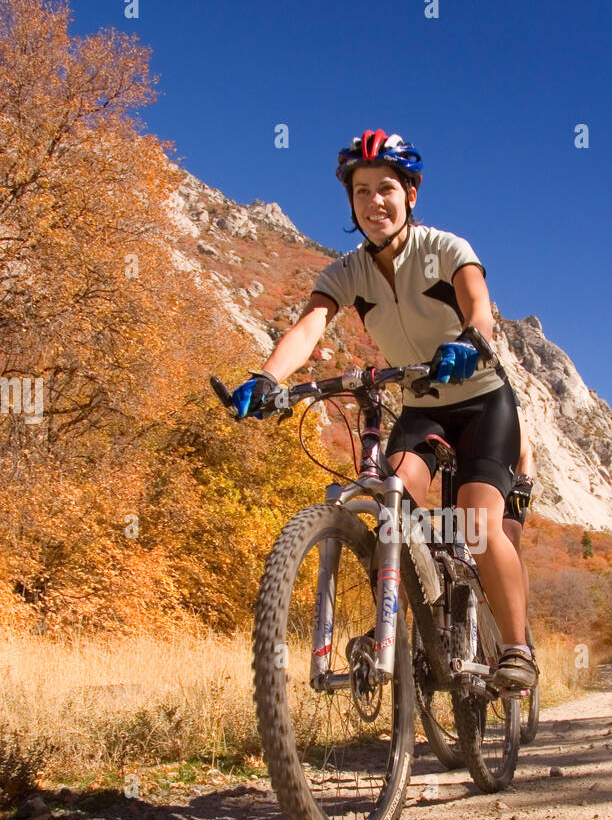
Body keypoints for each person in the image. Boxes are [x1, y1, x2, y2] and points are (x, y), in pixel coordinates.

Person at [230, 129, 537, 691]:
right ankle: (404, 626)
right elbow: (309, 326)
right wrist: (268, 377)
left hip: (483, 401)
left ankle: (516, 649)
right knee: (391, 500)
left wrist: (470, 342)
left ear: (410, 194)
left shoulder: (446, 249)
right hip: (422, 406)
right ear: (350, 202)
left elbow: (479, 308)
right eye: (362, 191)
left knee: (477, 522)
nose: (374, 202)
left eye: (386, 188)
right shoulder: (346, 272)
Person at [502, 400, 535, 616]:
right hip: (477, 473)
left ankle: (520, 619)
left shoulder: (505, 393)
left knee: (511, 535)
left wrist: (524, 483)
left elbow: (524, 447)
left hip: (516, 478)